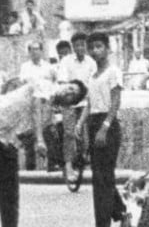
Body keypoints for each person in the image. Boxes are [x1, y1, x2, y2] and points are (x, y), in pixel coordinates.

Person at [1, 78, 88, 227]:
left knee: (10, 192)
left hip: (6, 140)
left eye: (72, 95)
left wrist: (21, 141)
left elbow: (27, 132)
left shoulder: (49, 118)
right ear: (64, 84)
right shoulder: (46, 85)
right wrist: (40, 140)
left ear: (69, 103)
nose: (68, 92)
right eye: (70, 87)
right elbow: (36, 108)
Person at [75, 32, 127, 227]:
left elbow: (116, 101)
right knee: (99, 175)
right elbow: (89, 103)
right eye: (92, 48)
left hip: (108, 124)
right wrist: (80, 123)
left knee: (104, 176)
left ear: (107, 48)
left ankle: (103, 223)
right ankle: (121, 212)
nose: (95, 51)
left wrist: (105, 127)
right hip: (93, 123)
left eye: (99, 46)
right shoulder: (92, 75)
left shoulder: (113, 71)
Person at [57, 32, 96, 180]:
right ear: (73, 47)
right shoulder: (66, 61)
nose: (80, 48)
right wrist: (69, 93)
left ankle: (84, 158)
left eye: (82, 45)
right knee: (69, 134)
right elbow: (62, 81)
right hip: (70, 102)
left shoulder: (91, 62)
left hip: (86, 102)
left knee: (86, 136)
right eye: (77, 45)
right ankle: (68, 166)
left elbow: (94, 81)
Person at [17, 41, 56, 171]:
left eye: (37, 49)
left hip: (46, 103)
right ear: (29, 52)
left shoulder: (48, 67)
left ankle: (52, 164)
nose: (35, 52)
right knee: (29, 135)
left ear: (41, 51)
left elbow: (54, 83)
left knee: (48, 132)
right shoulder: (25, 67)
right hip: (30, 104)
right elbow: (23, 83)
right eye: (32, 50)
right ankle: (30, 167)